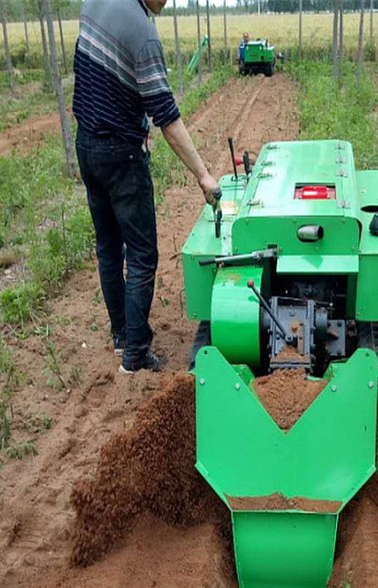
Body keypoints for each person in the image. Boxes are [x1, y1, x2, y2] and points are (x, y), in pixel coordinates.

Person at [73, 0, 219, 374]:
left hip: (86, 144)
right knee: (141, 255)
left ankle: (122, 334)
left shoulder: (96, 2)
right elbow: (166, 117)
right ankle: (135, 355)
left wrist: (128, 116)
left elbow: (96, 75)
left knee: (108, 247)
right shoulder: (144, 33)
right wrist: (202, 174)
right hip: (121, 156)